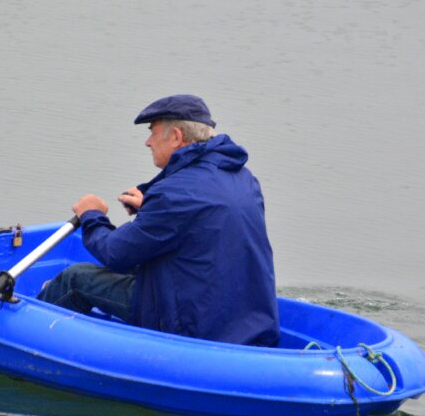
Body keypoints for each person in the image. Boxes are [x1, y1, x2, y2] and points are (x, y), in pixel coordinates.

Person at [38, 94, 280, 347]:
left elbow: (116, 254)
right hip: (239, 317)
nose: (147, 142)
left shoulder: (175, 194)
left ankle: (32, 341)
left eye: (152, 132)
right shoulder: (244, 179)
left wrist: (92, 215)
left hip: (190, 324)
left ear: (176, 136)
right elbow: (203, 225)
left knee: (75, 278)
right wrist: (150, 208)